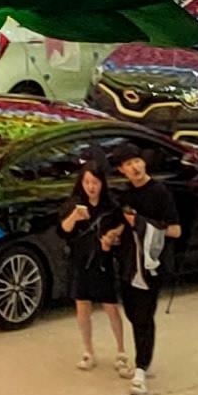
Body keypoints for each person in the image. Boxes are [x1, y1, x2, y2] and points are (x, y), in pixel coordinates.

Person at [110, 149, 179, 395]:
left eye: (137, 161)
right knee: (131, 312)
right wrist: (116, 232)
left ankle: (140, 369)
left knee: (143, 317)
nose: (135, 167)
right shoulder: (126, 196)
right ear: (122, 170)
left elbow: (175, 230)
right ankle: (143, 361)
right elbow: (122, 223)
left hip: (152, 266)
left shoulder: (159, 192)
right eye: (128, 164)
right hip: (128, 264)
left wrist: (142, 224)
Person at [58, 158, 125, 373]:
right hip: (80, 261)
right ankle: (88, 351)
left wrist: (113, 237)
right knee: (82, 305)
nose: (91, 187)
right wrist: (75, 217)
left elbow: (121, 228)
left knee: (110, 306)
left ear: (102, 183)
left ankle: (121, 350)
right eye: (87, 182)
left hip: (103, 261)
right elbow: (63, 230)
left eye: (95, 182)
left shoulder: (111, 206)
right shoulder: (74, 204)